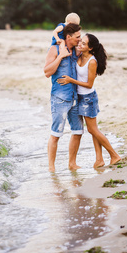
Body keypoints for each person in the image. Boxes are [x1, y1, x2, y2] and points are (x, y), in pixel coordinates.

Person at [57, 33, 121, 168]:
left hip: (88, 98)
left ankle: (114, 155)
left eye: (83, 44)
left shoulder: (92, 61)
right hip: (79, 97)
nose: (80, 44)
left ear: (90, 48)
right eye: (80, 42)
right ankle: (99, 160)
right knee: (93, 130)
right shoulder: (80, 55)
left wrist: (70, 80)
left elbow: (89, 84)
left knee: (93, 130)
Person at [44, 23, 83, 172]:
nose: (80, 40)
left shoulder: (76, 51)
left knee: (78, 132)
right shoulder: (54, 49)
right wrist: (61, 56)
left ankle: (72, 164)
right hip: (59, 98)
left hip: (75, 97)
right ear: (68, 37)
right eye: (77, 37)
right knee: (56, 134)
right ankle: (51, 168)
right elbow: (47, 72)